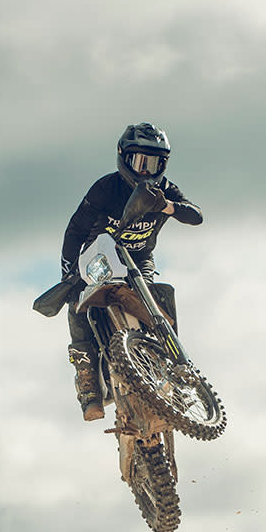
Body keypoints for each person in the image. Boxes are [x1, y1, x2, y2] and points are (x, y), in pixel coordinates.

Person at [59, 122, 203, 421]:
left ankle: (177, 368)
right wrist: (68, 273)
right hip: (98, 257)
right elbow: (75, 230)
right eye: (139, 161)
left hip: (139, 258)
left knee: (160, 294)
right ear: (123, 157)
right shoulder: (105, 188)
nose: (145, 171)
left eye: (153, 163)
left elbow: (196, 216)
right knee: (76, 307)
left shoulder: (164, 190)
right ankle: (87, 381)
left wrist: (168, 207)